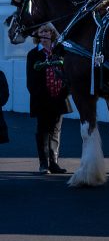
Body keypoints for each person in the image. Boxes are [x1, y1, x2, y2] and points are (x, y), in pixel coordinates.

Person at [26, 22, 72, 174]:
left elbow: (67, 74)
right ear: (37, 35)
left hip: (59, 98)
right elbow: (31, 81)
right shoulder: (33, 54)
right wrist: (41, 95)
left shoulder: (60, 52)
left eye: (47, 31)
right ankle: (43, 164)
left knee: (56, 131)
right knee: (43, 131)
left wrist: (64, 93)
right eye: (41, 31)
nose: (44, 34)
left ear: (52, 34)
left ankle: (54, 163)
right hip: (42, 100)